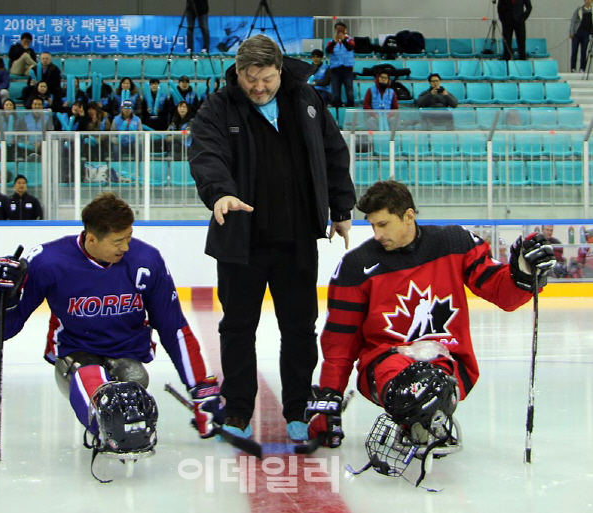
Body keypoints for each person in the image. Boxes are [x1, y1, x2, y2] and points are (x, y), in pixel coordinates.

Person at [305, 181, 556, 477]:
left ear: (408, 215)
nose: (377, 234)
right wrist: (329, 398)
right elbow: (340, 340)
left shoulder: (454, 243)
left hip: (447, 359)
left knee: (431, 383)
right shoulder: (356, 265)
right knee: (412, 384)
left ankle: (426, 420)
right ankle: (418, 421)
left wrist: (523, 274)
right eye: (373, 226)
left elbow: (502, 293)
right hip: (384, 362)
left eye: (384, 224)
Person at [189, 34, 356, 441]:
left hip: (297, 238)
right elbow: (206, 155)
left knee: (299, 328)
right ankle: (238, 409)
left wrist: (342, 208)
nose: (258, 87)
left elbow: (333, 153)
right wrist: (221, 192)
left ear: (279, 70)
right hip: (241, 240)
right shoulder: (219, 107)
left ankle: (299, 407)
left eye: (265, 78)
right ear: (238, 73)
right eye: (250, 79)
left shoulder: (307, 101)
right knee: (238, 328)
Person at [0, 193, 224, 460]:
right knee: (95, 383)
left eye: (129, 237)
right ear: (91, 238)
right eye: (118, 241)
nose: (126, 248)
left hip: (127, 357)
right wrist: (0, 300)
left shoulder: (148, 260)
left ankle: (117, 425)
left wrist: (201, 388)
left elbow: (174, 328)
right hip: (76, 355)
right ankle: (105, 427)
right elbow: (0, 332)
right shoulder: (48, 261)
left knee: (131, 381)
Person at [326, 22, 356, 107]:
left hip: (347, 69)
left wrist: (343, 40)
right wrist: (334, 42)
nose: (339, 31)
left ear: (345, 30)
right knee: (336, 92)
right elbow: (328, 50)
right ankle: (337, 110)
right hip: (335, 70)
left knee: (349, 91)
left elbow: (350, 48)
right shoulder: (331, 41)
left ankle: (350, 107)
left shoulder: (350, 40)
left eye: (341, 29)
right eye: (337, 29)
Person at [570, 0, 593, 73]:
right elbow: (573, 21)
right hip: (577, 33)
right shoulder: (579, 9)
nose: (587, 1)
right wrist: (571, 32)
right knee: (574, 52)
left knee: (584, 52)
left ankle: (582, 68)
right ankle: (573, 68)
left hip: (586, 34)